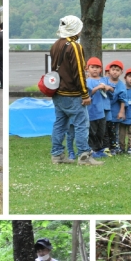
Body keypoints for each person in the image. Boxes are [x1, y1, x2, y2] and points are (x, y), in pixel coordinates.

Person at [48, 15, 101, 166]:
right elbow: (79, 72)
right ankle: (84, 155)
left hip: (57, 93)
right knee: (81, 124)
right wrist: (85, 94)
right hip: (72, 94)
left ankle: (57, 155)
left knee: (59, 124)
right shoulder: (75, 47)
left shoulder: (56, 45)